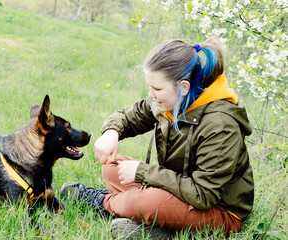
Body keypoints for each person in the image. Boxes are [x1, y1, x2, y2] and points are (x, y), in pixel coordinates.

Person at [60, 38, 254, 239]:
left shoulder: (220, 125)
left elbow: (204, 194)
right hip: (180, 192)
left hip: (219, 213)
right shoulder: (171, 100)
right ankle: (148, 223)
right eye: (150, 87)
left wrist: (143, 173)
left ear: (184, 87)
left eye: (157, 89)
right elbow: (130, 116)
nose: (151, 95)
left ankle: (103, 203)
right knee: (111, 169)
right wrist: (111, 132)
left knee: (145, 202)